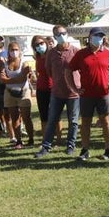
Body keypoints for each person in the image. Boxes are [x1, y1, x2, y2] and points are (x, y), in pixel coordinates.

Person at [68, 27, 109, 161]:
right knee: (86, 122)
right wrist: (74, 88)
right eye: (96, 36)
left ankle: (108, 149)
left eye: (101, 36)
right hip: (86, 95)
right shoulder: (81, 54)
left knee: (106, 121)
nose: (99, 38)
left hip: (103, 93)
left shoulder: (107, 53)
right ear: (90, 37)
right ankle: (85, 150)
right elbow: (68, 71)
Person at [37, 25, 80, 157]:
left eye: (63, 33)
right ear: (54, 37)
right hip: (57, 92)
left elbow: (82, 70)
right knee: (52, 120)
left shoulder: (75, 51)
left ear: (67, 33)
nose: (61, 35)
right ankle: (46, 147)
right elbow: (49, 71)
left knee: (73, 121)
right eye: (58, 34)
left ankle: (70, 145)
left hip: (73, 93)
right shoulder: (51, 53)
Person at [0, 40, 35, 149]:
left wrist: (8, 79)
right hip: (9, 93)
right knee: (14, 117)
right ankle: (18, 141)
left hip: (23, 93)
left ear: (19, 51)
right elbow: (2, 79)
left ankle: (31, 139)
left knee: (26, 117)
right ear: (8, 51)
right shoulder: (5, 64)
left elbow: (23, 78)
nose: (14, 52)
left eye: (16, 50)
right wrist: (15, 80)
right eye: (12, 50)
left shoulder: (24, 63)